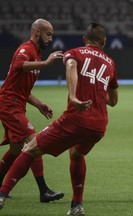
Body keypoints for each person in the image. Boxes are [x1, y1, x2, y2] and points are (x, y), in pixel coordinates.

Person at [0, 22, 119, 215]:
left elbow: (70, 64)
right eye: (48, 35)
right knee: (73, 153)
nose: (50, 39)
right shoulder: (111, 62)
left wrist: (70, 96)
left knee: (27, 148)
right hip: (98, 125)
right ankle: (73, 204)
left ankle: (3, 194)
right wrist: (97, 90)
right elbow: (113, 101)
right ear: (104, 42)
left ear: (84, 39)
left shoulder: (75, 52)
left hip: (74, 117)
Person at [0, 18, 64, 202]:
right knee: (35, 141)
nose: (51, 38)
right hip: (8, 104)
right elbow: (20, 65)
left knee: (16, 149)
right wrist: (45, 63)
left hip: (15, 103)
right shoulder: (26, 49)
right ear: (37, 32)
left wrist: (39, 104)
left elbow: (22, 91)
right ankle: (44, 191)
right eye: (48, 34)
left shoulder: (35, 52)